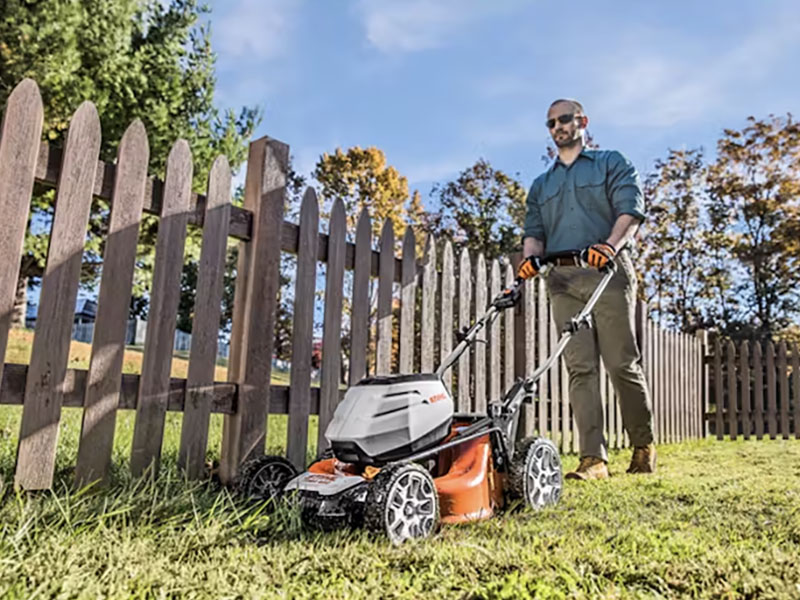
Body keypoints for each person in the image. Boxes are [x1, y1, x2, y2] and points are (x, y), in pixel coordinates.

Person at [517, 98, 655, 480]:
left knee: (620, 363)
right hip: (561, 281)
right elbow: (534, 234)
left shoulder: (612, 162)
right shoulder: (541, 185)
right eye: (551, 123)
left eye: (565, 119)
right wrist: (529, 259)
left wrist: (609, 246)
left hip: (605, 272)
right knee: (579, 369)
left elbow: (631, 212)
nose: (558, 126)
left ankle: (643, 447)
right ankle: (593, 459)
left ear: (582, 121)